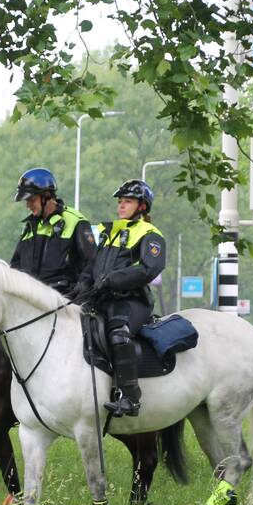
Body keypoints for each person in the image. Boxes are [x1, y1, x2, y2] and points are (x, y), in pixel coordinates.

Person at [75, 179, 165, 418]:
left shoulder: (150, 234)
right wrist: (80, 288)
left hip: (132, 300)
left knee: (118, 333)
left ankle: (131, 398)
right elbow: (91, 264)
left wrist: (113, 279)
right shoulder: (108, 230)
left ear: (142, 207)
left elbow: (148, 269)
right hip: (100, 299)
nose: (121, 206)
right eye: (120, 202)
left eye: (128, 201)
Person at [9, 167, 97, 294]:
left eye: (31, 200)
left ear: (46, 196)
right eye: (26, 201)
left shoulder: (75, 220)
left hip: (64, 298)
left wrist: (82, 285)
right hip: (31, 299)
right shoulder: (30, 226)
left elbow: (92, 261)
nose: (28, 205)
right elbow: (15, 266)